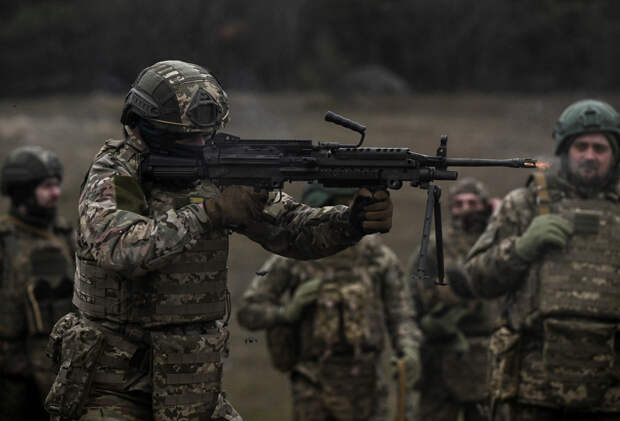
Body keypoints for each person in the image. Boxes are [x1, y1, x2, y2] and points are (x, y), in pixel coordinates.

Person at [44, 60, 394, 421]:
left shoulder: (217, 168)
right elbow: (121, 249)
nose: (201, 143)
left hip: (192, 387)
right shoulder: (119, 173)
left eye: (207, 134)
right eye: (189, 136)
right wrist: (208, 213)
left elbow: (293, 230)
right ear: (150, 127)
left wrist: (351, 222)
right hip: (114, 387)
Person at [460, 99, 620, 420]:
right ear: (564, 150)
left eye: (600, 148)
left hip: (610, 395)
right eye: (581, 146)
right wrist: (521, 248)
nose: (590, 156)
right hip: (530, 394)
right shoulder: (524, 205)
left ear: (614, 155)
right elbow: (476, 278)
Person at [237, 184, 421, 421]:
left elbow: (401, 314)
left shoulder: (377, 257)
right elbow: (248, 311)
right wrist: (287, 313)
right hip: (313, 385)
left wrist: (408, 349)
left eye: (348, 207)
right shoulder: (293, 259)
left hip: (367, 385)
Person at [407, 177, 498, 421]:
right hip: (441, 354)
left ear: (485, 206)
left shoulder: (497, 244)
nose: (466, 209)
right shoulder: (434, 245)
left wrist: (499, 218)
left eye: (473, 202)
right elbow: (414, 295)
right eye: (459, 204)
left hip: (487, 355)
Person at [0, 146, 74, 420]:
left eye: (56, 185)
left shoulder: (66, 236)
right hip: (12, 377)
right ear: (22, 190)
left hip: (59, 373)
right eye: (46, 186)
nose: (56, 193)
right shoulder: (5, 241)